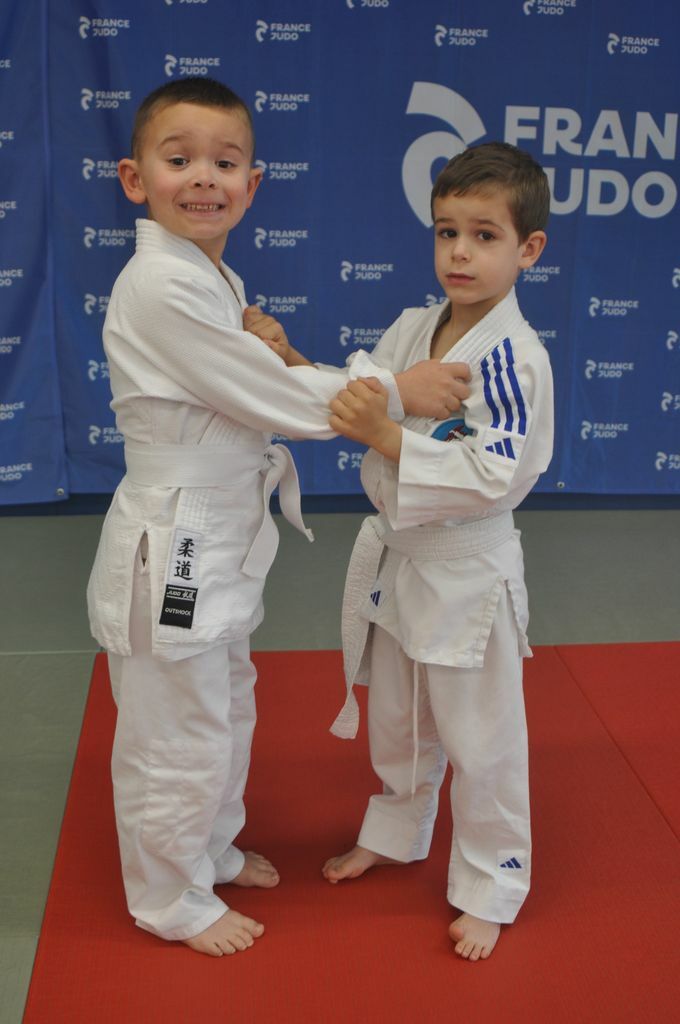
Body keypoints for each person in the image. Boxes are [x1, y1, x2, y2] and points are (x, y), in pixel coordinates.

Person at [86, 77, 470, 959]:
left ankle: (209, 851)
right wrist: (395, 390)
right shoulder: (160, 284)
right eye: (179, 160)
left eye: (225, 163)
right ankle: (170, 897)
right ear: (135, 179)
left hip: (213, 535)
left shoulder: (210, 278)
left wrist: (265, 346)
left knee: (225, 705)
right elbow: (265, 396)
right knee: (176, 728)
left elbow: (251, 381)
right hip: (176, 542)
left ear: (253, 185)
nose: (204, 178)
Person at [320, 142, 554, 961]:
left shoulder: (516, 357)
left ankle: (494, 881)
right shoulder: (416, 325)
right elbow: (364, 389)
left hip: (468, 571)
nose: (460, 252)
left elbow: (495, 472)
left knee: (482, 739)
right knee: (399, 717)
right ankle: (398, 830)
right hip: (403, 557)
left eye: (485, 236)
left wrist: (388, 437)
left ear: (528, 249)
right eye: (447, 232)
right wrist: (292, 366)